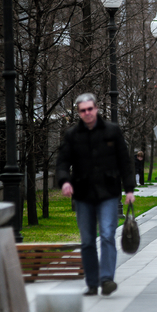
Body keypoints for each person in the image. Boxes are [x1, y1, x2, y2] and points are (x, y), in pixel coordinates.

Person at [56, 93, 136, 297]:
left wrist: (129, 189)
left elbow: (124, 162)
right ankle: (92, 283)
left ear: (96, 109)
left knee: (108, 234)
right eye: (83, 110)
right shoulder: (72, 135)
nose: (87, 113)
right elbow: (63, 162)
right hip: (83, 194)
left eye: (90, 109)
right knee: (88, 240)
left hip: (108, 192)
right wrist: (65, 181)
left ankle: (107, 279)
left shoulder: (112, 131)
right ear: (79, 113)